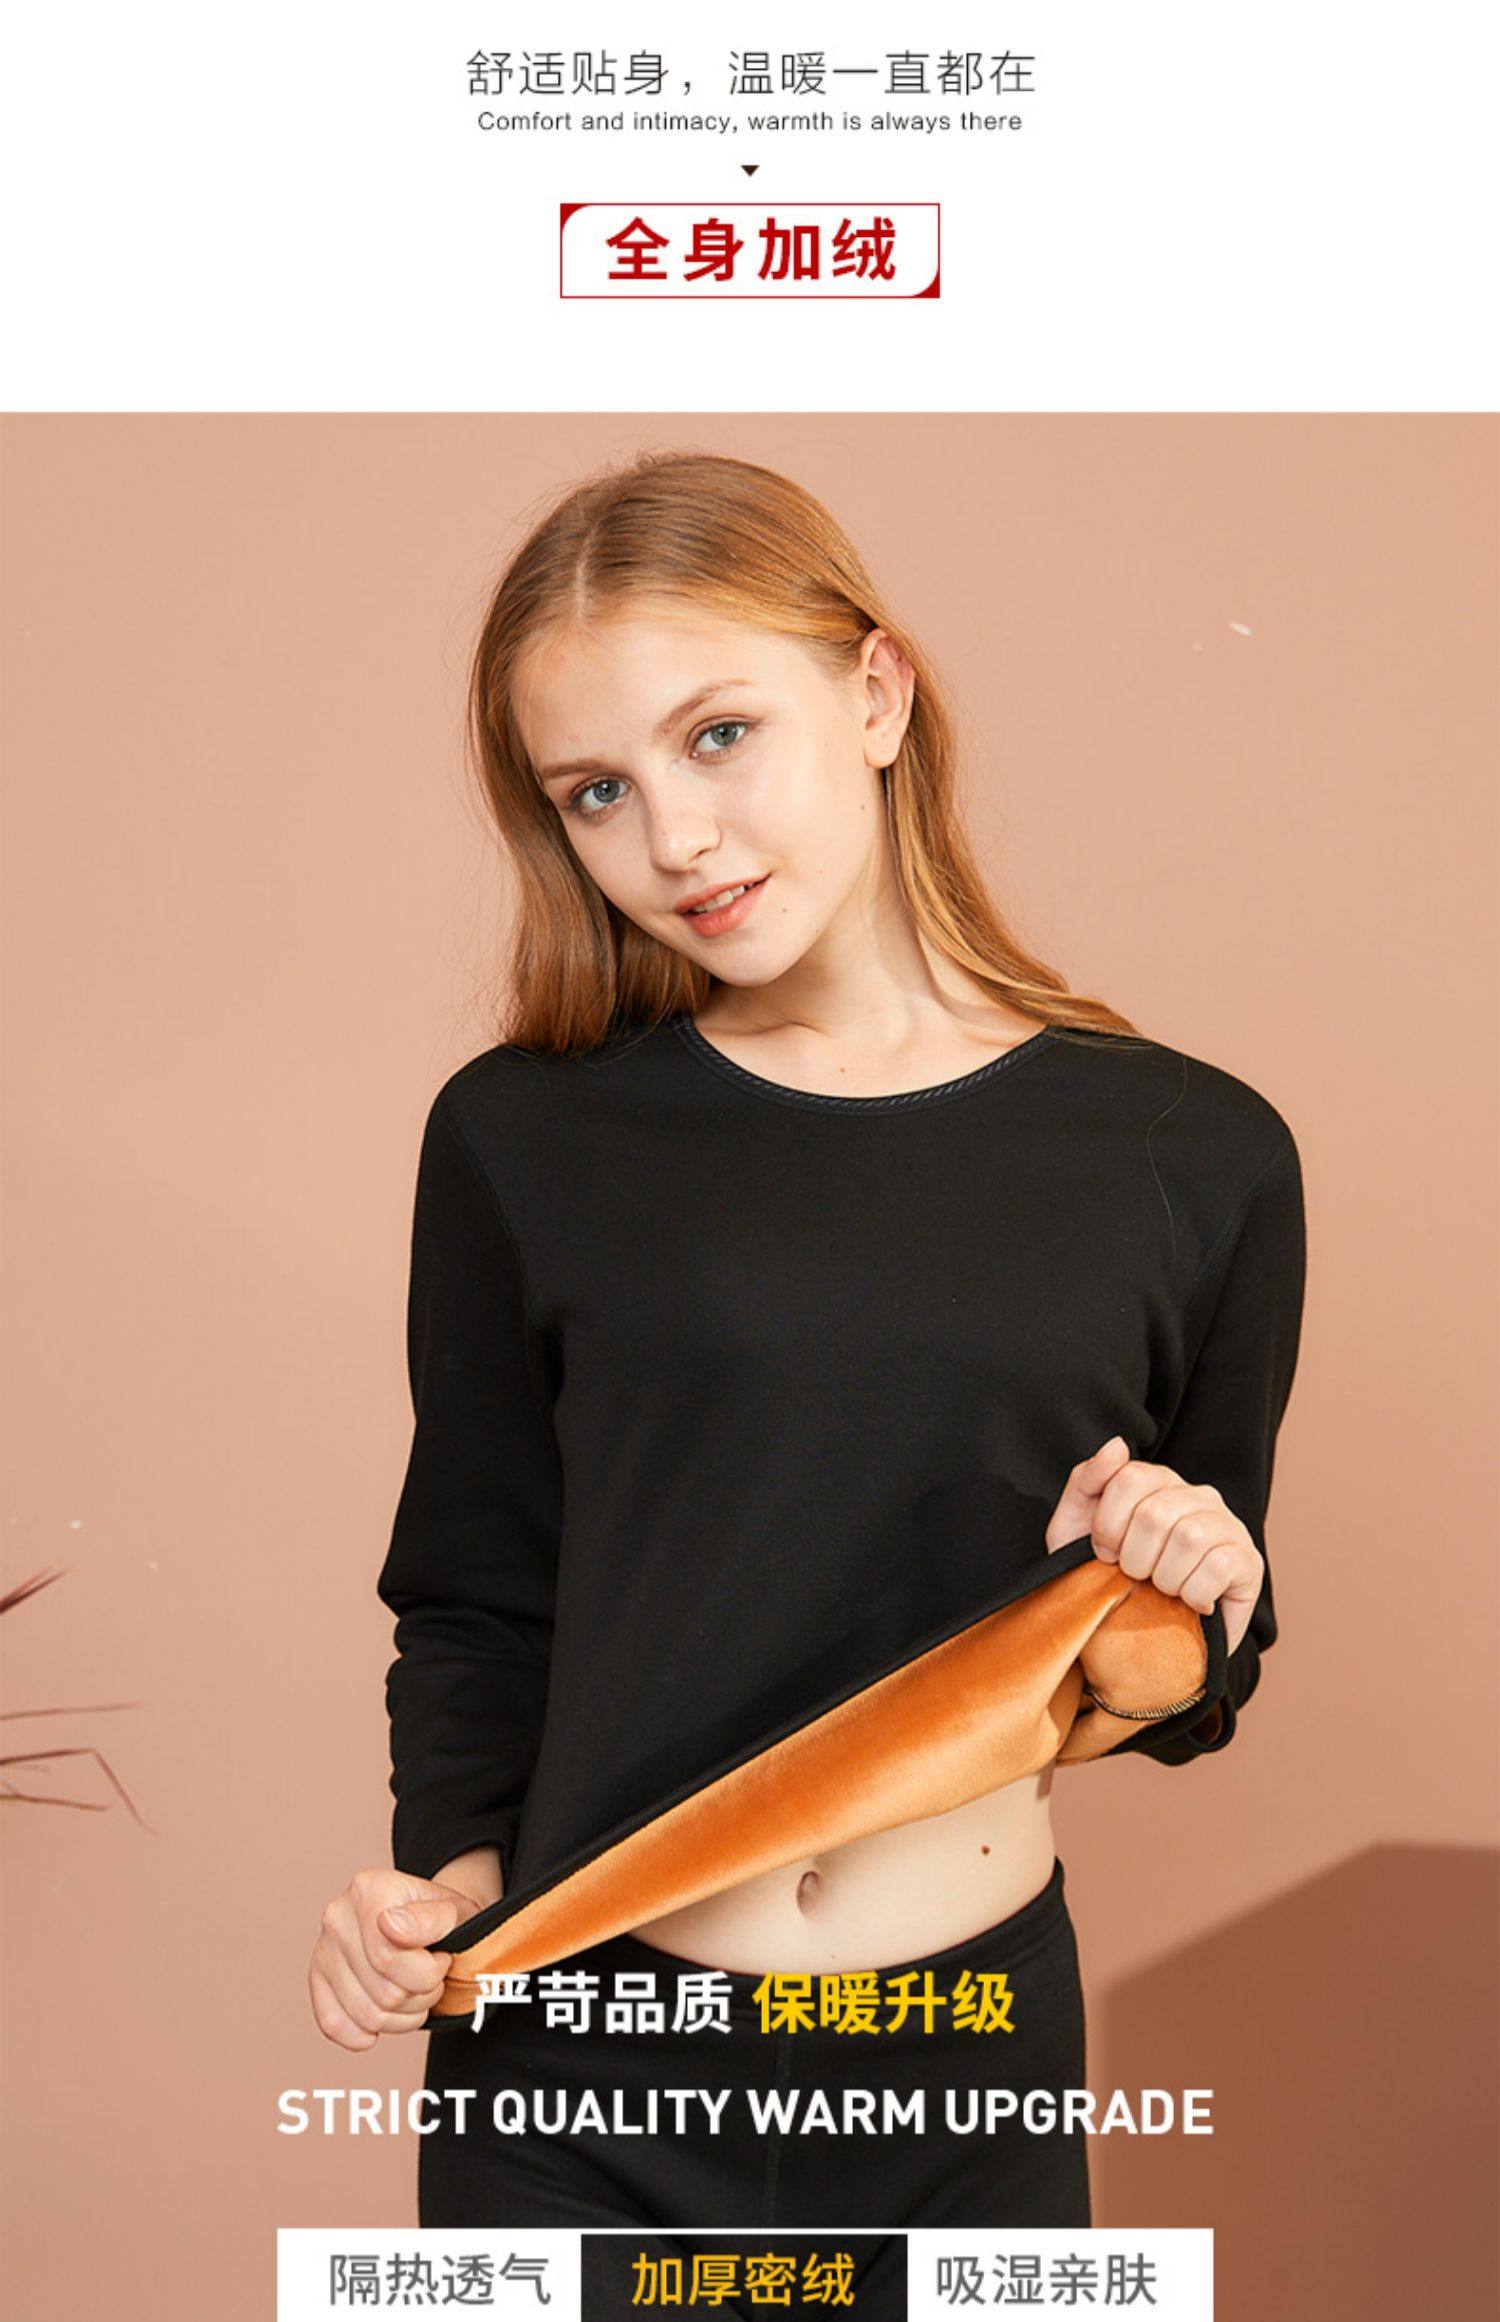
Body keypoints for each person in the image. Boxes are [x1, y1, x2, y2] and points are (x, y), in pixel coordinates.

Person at [307, 451, 1308, 2232]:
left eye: (718, 735)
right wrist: (440, 1891)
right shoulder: (525, 1136)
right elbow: (474, 1596)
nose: (673, 840)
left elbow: (1190, 1678)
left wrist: (1199, 1579)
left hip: (967, 2065)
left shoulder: (1196, 1154)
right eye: (596, 790)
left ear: (876, 694)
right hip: (581, 2060)